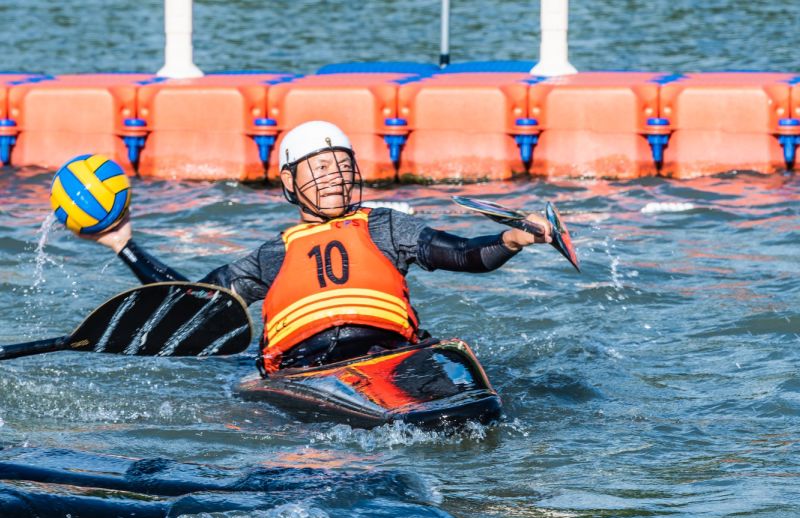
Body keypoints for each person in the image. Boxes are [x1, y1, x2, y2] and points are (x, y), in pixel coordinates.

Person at [86, 121, 553, 376]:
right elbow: (191, 303)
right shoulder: (271, 255)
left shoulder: (388, 226)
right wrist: (124, 245)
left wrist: (515, 237)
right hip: (301, 368)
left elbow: (467, 254)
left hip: (388, 352)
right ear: (289, 182)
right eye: (318, 167)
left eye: (340, 164)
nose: (333, 175)